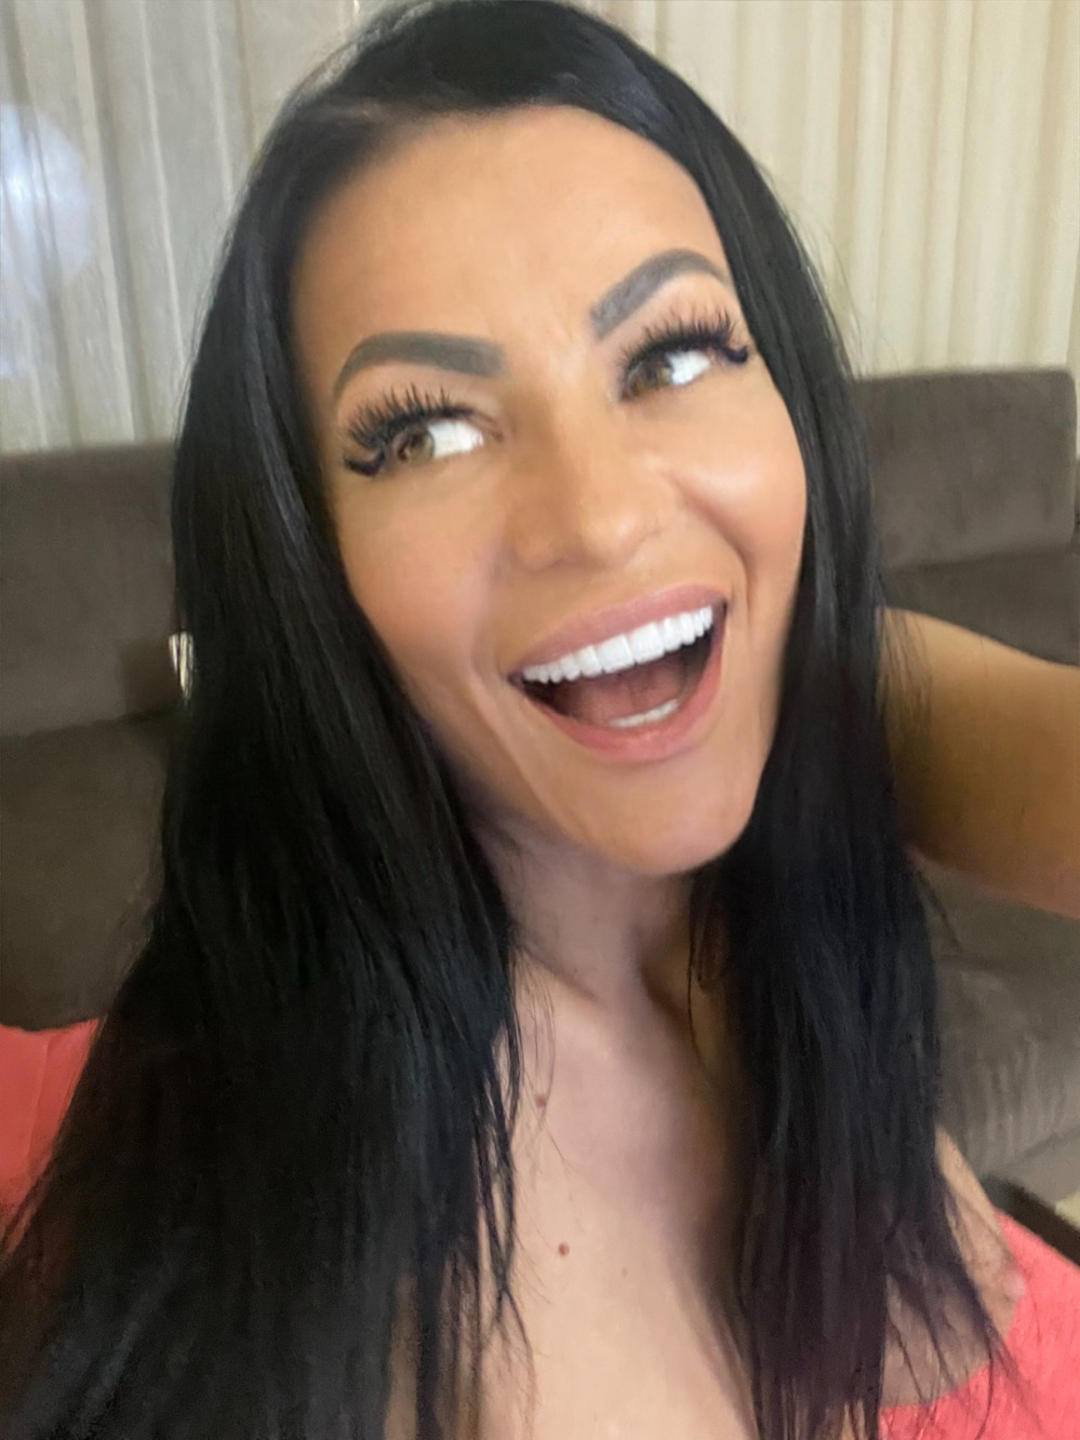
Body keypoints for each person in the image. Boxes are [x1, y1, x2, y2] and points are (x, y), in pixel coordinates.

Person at [1, 2, 1077, 1438]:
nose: (603, 517)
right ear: (306, 564)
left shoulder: (827, 766)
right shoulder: (195, 1160)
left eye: (671, 354)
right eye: (425, 432)